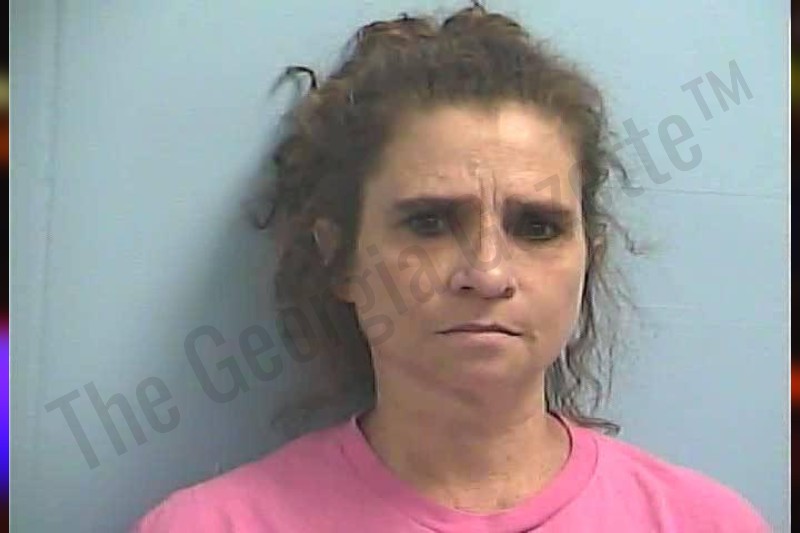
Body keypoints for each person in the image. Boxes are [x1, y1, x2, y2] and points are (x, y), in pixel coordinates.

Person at [132, 3, 770, 531]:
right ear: (340, 260)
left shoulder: (705, 522)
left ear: (588, 257)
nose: (487, 274)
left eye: (537, 228)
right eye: (430, 223)